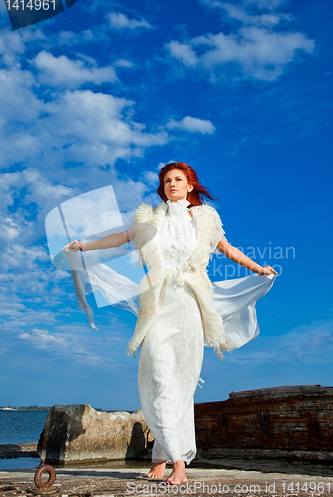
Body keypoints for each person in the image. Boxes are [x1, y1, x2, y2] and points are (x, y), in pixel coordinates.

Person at [65, 162, 277, 485]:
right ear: (162, 188)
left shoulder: (204, 221)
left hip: (189, 309)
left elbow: (228, 249)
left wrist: (258, 268)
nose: (171, 184)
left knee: (181, 385)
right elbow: (120, 238)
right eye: (167, 181)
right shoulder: (149, 221)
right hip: (158, 307)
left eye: (178, 180)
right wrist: (84, 245)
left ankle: (160, 455)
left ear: (190, 186)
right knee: (159, 375)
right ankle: (179, 462)